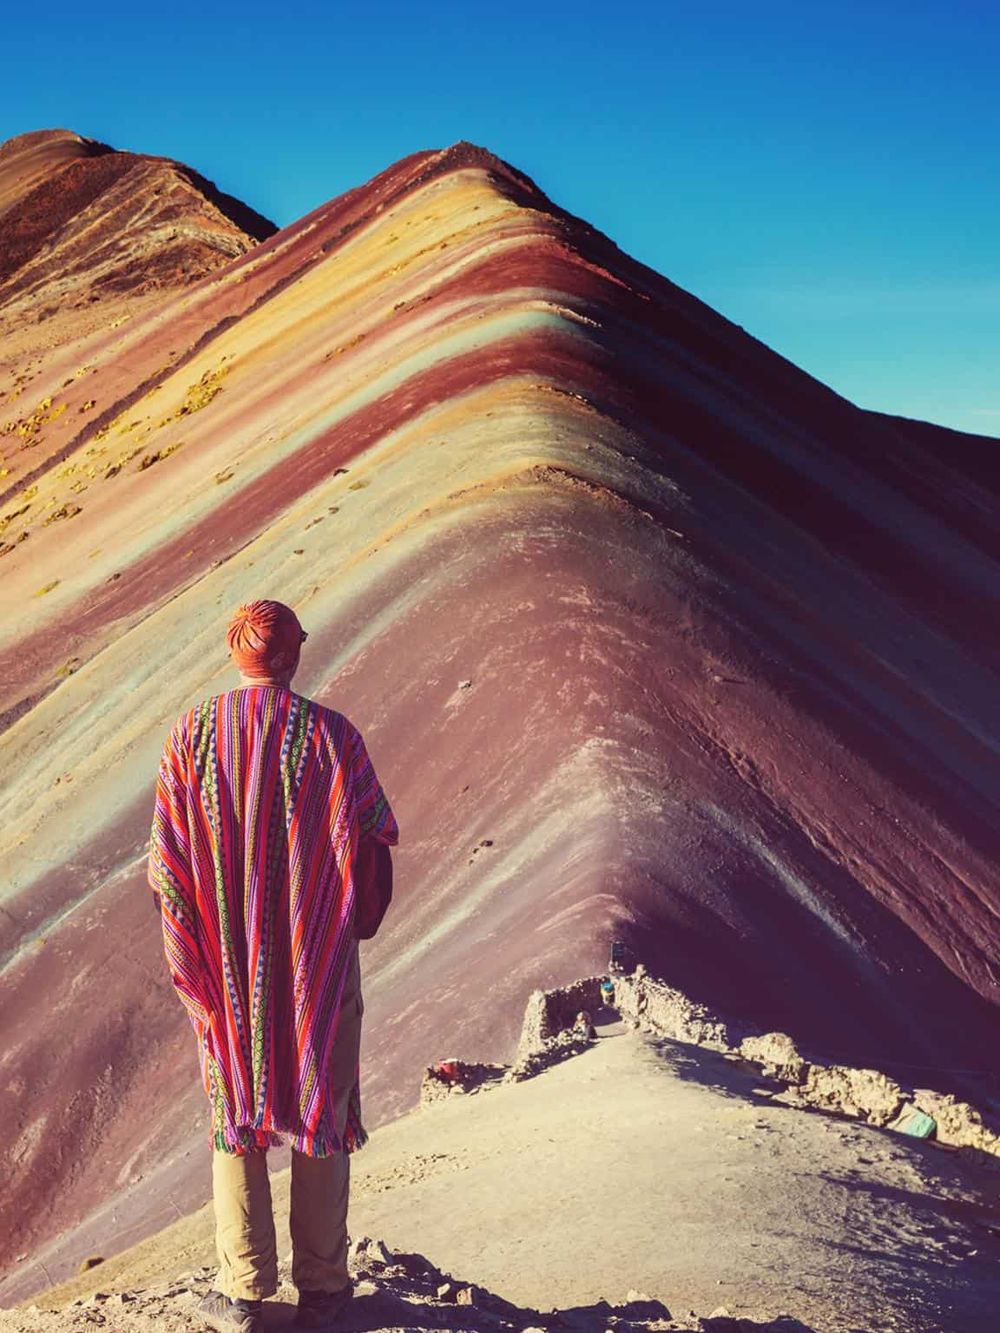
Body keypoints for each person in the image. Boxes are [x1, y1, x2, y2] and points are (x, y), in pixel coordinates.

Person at [147, 599, 398, 1332]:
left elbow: (165, 863)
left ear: (236, 652)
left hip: (226, 970)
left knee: (235, 1109)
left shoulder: (190, 736)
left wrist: (201, 933)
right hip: (317, 966)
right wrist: (343, 917)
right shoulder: (333, 737)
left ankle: (243, 1291)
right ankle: (322, 1286)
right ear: (293, 654)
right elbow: (377, 837)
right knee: (323, 1103)